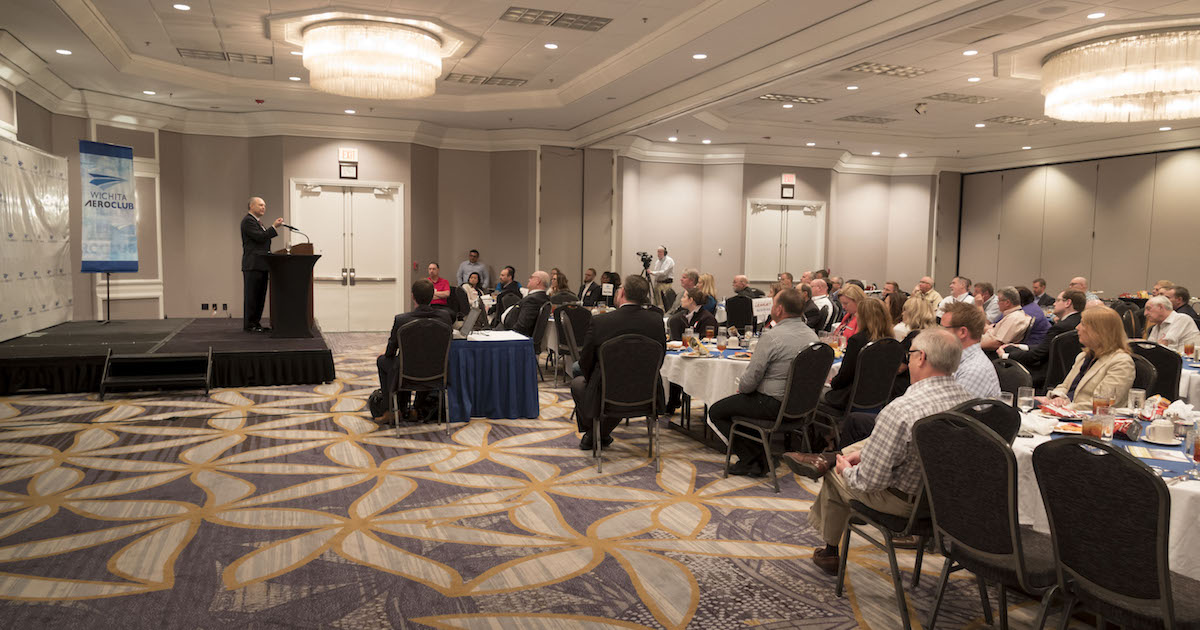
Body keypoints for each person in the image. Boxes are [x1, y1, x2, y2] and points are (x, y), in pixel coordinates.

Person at [781, 328, 973, 574]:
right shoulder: (969, 403)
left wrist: (846, 471)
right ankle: (830, 458)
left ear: (921, 357)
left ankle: (830, 551)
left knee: (835, 475)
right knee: (868, 444)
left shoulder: (902, 410)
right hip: (946, 504)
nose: (908, 359)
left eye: (910, 354)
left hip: (906, 506)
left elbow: (868, 482)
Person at [707, 288, 818, 477]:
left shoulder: (772, 336)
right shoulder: (812, 337)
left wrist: (741, 389)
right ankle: (759, 457)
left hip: (773, 404)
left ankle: (753, 458)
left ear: (779, 309)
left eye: (774, 303)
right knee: (738, 406)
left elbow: (750, 380)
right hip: (802, 407)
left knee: (717, 411)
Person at [570, 275, 666, 450]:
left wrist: (595, 380)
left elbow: (586, 360)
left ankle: (595, 434)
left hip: (607, 393)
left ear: (622, 293)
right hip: (647, 394)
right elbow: (661, 359)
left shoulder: (601, 321)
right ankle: (599, 434)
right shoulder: (656, 321)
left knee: (578, 384)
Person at [375, 279, 455, 422]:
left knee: (383, 361)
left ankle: (391, 411)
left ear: (413, 296)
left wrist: (387, 355)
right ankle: (416, 409)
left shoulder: (402, 320)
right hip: (436, 373)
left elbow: (391, 351)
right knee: (426, 360)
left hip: (406, 374)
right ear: (433, 296)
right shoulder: (445, 317)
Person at [1040, 306, 1134, 411]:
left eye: (1083, 324)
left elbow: (1103, 403)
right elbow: (1065, 386)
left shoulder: (1121, 362)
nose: (1077, 327)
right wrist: (1057, 398)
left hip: (1092, 420)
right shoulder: (1084, 356)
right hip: (1066, 412)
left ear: (1099, 331)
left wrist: (1065, 407)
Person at [822, 297, 893, 414]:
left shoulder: (857, 341)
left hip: (851, 397)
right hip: (878, 396)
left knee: (814, 391)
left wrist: (832, 382)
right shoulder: (890, 341)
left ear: (863, 317)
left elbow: (845, 375)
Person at [1001, 290, 1084, 388]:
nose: (1054, 303)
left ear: (1068, 303)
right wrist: (1022, 346)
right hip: (1068, 375)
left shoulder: (1060, 327)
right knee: (1012, 348)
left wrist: (1006, 356)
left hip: (1045, 375)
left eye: (1058, 300)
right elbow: (1047, 347)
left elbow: (1037, 355)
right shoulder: (1079, 322)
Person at [665, 288, 720, 415]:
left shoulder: (707, 318)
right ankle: (672, 401)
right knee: (676, 365)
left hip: (702, 358)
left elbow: (704, 341)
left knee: (679, 364)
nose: (682, 300)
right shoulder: (682, 316)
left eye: (684, 297)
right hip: (686, 354)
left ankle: (675, 401)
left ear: (691, 300)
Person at [240, 197, 284, 333]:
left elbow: (263, 237)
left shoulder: (258, 222)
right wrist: (274, 227)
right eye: (260, 205)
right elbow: (260, 237)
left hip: (262, 264)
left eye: (264, 205)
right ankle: (250, 325)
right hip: (253, 265)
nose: (263, 207)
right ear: (251, 206)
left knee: (260, 296)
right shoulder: (248, 221)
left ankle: (256, 323)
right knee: (252, 296)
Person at [941, 302, 1001, 398]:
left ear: (962, 332)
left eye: (944, 328)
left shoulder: (973, 370)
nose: (939, 333)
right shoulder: (956, 359)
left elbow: (949, 410)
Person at [980, 287, 1032, 351]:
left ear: (1007, 302)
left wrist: (973, 346)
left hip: (988, 352)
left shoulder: (1013, 318)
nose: (997, 303)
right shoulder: (1013, 315)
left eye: (999, 300)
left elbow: (997, 344)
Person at [503, 271, 552, 336]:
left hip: (509, 334)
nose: (529, 279)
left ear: (538, 281)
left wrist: (507, 336)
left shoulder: (533, 300)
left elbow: (522, 327)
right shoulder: (541, 298)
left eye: (531, 277)